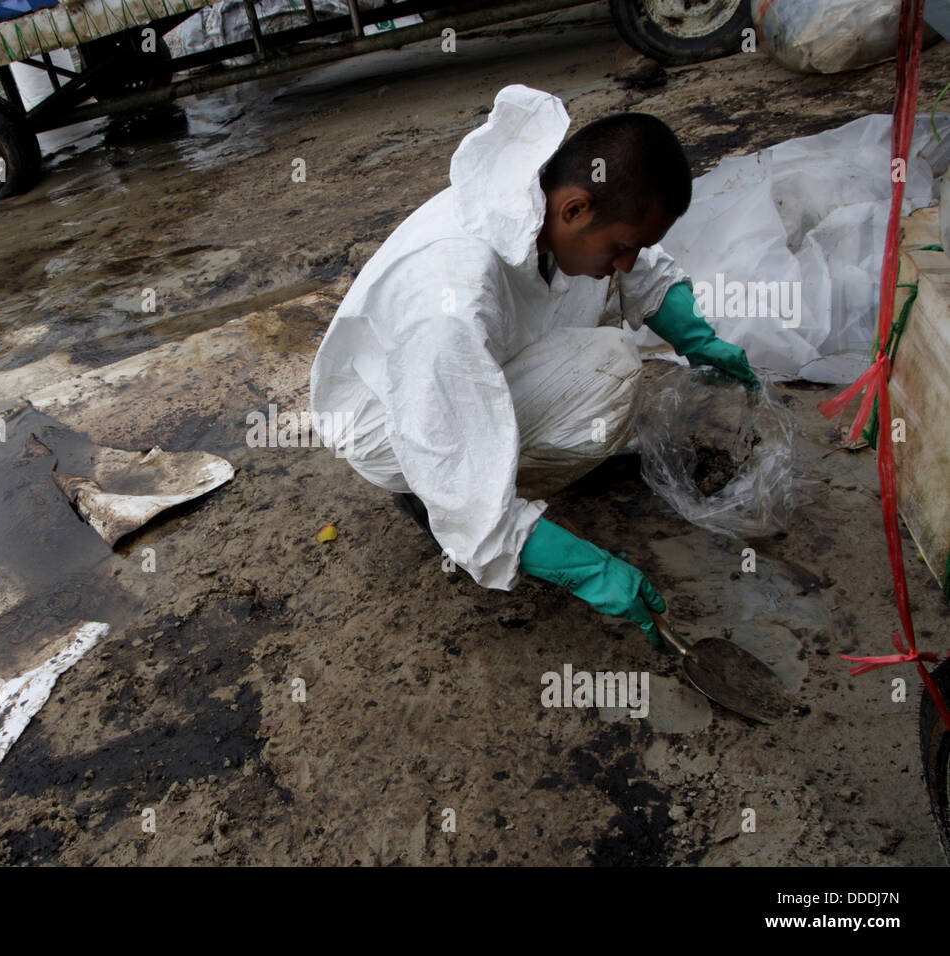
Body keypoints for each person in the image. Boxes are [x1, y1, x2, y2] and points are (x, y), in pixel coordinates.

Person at [308, 84, 758, 648]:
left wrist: (697, 338)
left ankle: (499, 471)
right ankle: (435, 497)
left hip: (456, 371)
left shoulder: (542, 202)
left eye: (635, 248)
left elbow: (635, 265)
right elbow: (442, 422)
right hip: (392, 419)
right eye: (621, 245)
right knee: (612, 372)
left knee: (600, 336)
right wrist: (586, 567)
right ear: (574, 208)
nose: (626, 262)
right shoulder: (450, 293)